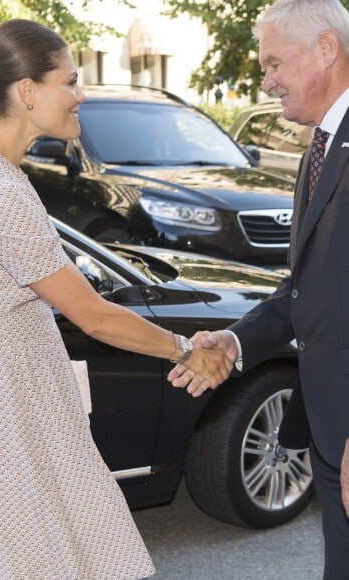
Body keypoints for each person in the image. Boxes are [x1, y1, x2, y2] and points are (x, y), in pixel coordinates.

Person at [0, 18, 232, 580]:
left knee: (82, 558)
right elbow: (91, 313)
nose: (80, 95)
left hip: (16, 403)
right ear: (27, 92)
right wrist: (185, 348)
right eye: (69, 81)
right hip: (3, 413)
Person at [170, 0, 349, 577]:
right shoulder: (317, 152)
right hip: (328, 422)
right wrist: (236, 341)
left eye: (275, 63)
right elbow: (305, 287)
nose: (266, 80)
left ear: (327, 49)